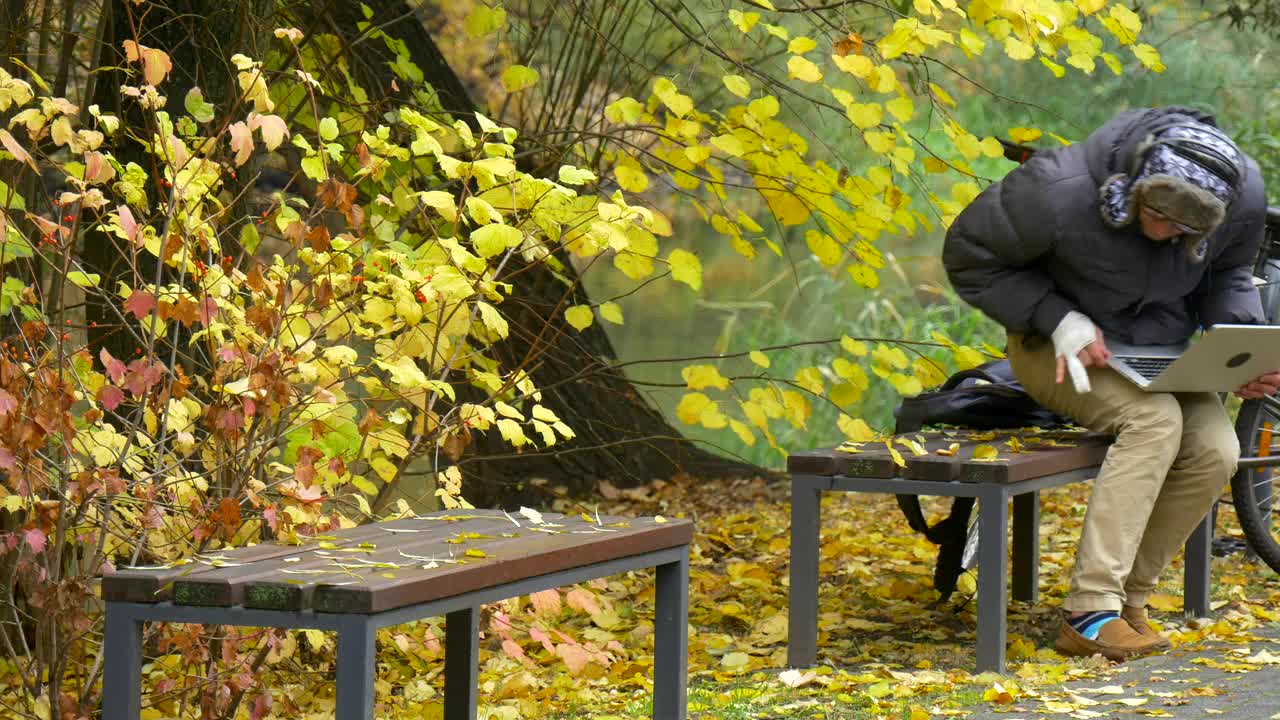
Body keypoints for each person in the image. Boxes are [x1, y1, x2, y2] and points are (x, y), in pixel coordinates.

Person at [942, 106, 1280, 661]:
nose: (1165, 232)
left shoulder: (1242, 200)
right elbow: (969, 255)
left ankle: (1128, 601)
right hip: (1055, 347)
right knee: (1154, 420)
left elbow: (1228, 276)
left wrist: (1242, 347)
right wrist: (1055, 317)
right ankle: (1090, 611)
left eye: (1185, 231)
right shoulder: (1056, 189)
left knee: (1217, 450)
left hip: (1157, 351)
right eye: (1157, 214)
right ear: (1136, 182)